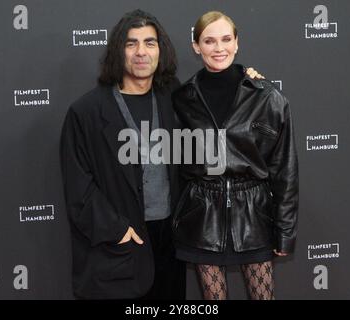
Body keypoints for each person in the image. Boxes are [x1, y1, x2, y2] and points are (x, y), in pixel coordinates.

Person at [60, 9, 264, 300]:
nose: (141, 52)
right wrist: (117, 230)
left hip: (170, 243)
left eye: (149, 43)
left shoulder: (174, 96)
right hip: (118, 247)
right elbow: (78, 186)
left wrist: (246, 80)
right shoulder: (86, 112)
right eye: (131, 43)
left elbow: (216, 106)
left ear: (161, 50)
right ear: (118, 51)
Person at [171, 11, 299, 300]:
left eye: (226, 39)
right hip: (202, 220)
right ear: (196, 46)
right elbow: (176, 163)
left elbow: (285, 171)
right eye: (209, 41)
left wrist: (285, 231)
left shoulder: (267, 97)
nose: (219, 48)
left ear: (237, 43)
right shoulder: (182, 98)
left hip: (254, 217)